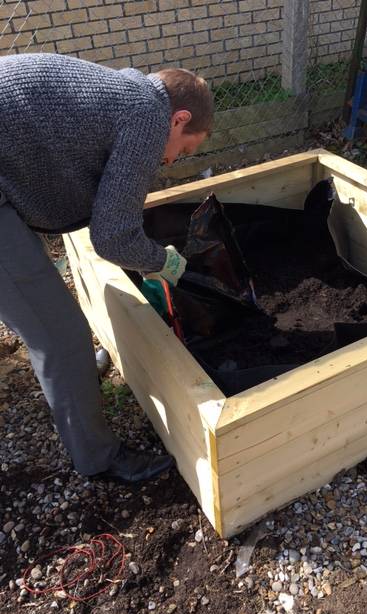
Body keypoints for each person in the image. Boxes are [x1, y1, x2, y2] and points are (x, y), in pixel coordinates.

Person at [0, 53, 214, 482]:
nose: (172, 161)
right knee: (61, 336)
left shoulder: (126, 92)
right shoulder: (146, 120)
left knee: (50, 312)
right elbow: (112, 238)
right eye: (185, 148)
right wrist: (163, 261)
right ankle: (98, 459)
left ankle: (76, 375)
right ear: (178, 119)